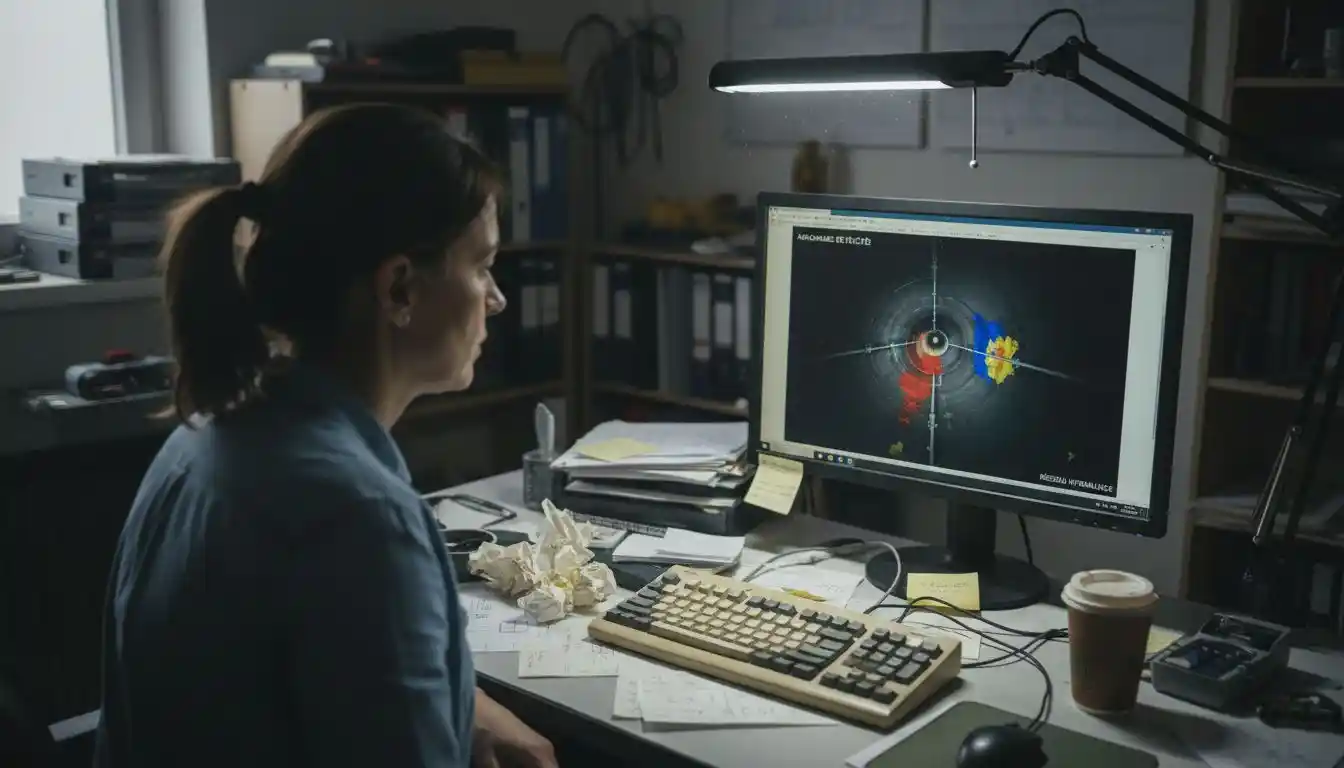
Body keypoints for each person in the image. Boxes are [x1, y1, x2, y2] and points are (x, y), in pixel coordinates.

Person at [94, 103, 558, 768]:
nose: (496, 298)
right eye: (481, 266)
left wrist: (459, 703)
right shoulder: (361, 518)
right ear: (399, 288)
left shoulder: (205, 437)